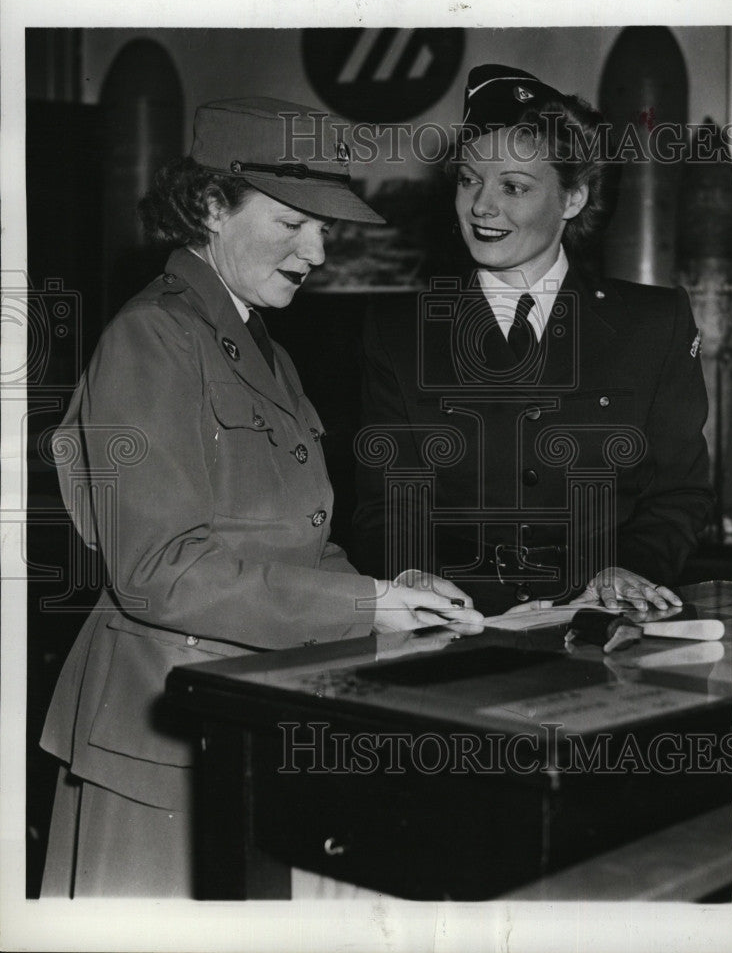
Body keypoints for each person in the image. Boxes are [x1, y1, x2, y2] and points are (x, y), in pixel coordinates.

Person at [38, 97, 485, 898]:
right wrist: (363, 606)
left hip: (244, 712)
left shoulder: (259, 344)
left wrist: (391, 592)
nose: (318, 250)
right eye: (293, 223)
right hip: (156, 736)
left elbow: (296, 539)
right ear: (211, 206)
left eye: (325, 228)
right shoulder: (153, 338)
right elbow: (160, 571)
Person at [352, 65, 714, 617]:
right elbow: (383, 505)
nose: (481, 207)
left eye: (514, 187)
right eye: (469, 180)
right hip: (457, 626)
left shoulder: (653, 323)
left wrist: (629, 569)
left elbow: (678, 494)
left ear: (572, 199)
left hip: (601, 623)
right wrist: (409, 575)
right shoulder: (398, 332)